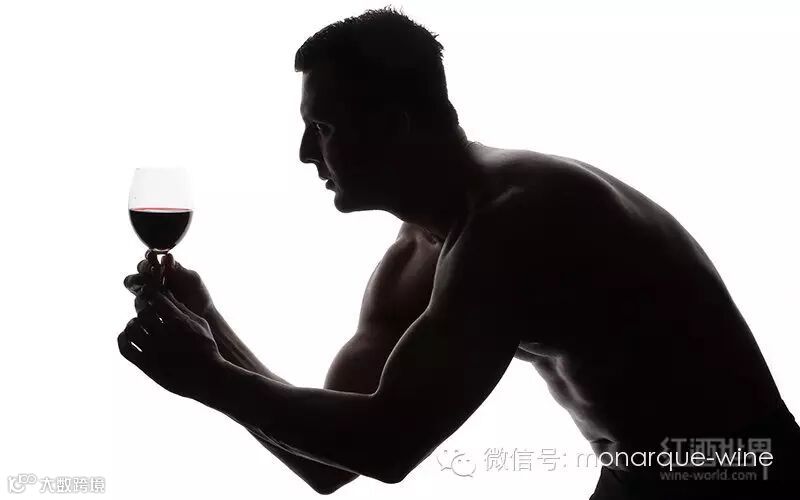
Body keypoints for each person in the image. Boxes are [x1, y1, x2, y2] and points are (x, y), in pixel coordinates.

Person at [119, 8, 800, 498]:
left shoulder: (516, 221)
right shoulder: (414, 259)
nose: (304, 154)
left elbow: (387, 446)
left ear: (395, 125)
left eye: (321, 126)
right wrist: (211, 328)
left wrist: (210, 378)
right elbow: (329, 465)